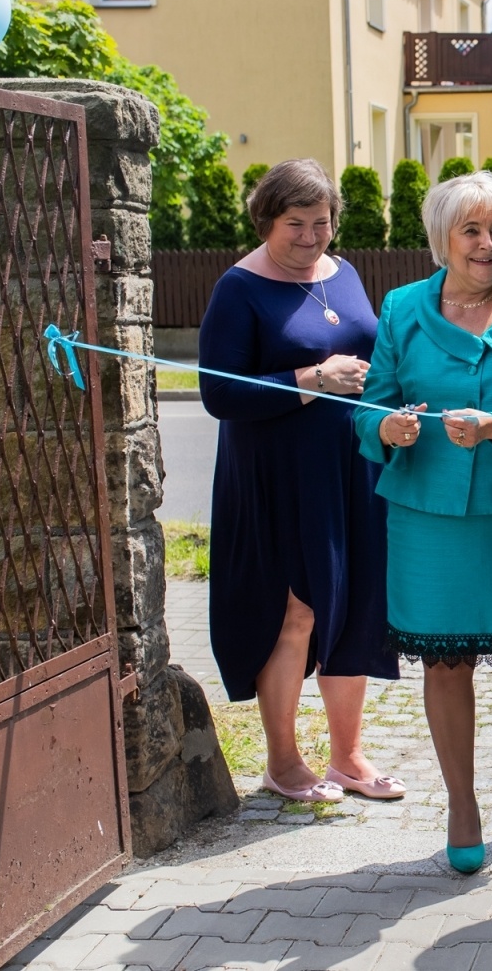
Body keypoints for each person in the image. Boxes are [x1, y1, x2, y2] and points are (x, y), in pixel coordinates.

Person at [354, 171, 492, 875]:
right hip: (430, 520)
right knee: (445, 664)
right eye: (473, 231)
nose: (488, 244)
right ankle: (462, 803)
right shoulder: (399, 310)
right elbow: (370, 407)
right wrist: (386, 428)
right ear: (441, 240)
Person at [200, 158, 405, 805]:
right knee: (299, 608)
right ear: (267, 220)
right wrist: (312, 380)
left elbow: (369, 354)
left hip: (354, 465)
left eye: (322, 222)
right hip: (278, 475)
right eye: (297, 223)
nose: (311, 236)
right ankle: (284, 763)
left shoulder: (343, 274)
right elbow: (218, 393)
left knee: (355, 602)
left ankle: (347, 756)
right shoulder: (239, 288)